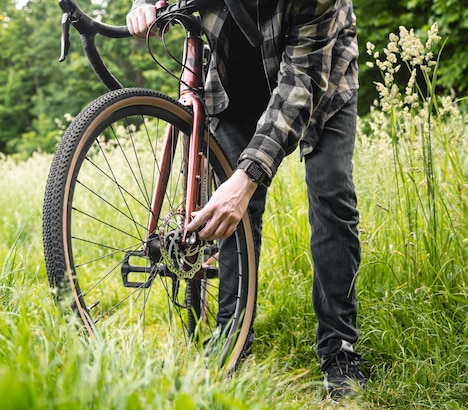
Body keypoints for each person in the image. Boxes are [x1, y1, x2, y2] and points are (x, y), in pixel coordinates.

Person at [127, 0, 366, 400]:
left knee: (331, 196)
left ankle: (338, 351)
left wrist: (247, 178)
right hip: (235, 79)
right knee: (233, 217)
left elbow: (300, 84)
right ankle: (232, 336)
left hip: (318, 74)